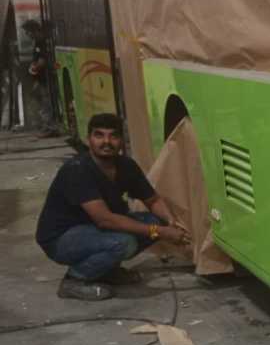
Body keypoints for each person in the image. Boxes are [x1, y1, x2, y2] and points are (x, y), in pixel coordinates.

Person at [35, 113, 189, 300]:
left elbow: (153, 200)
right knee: (124, 242)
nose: (106, 142)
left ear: (122, 141)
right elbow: (105, 220)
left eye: (113, 136)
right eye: (99, 135)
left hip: (94, 230)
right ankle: (74, 280)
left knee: (155, 220)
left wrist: (171, 223)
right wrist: (161, 232)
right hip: (62, 238)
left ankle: (105, 271)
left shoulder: (127, 166)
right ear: (89, 139)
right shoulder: (77, 169)